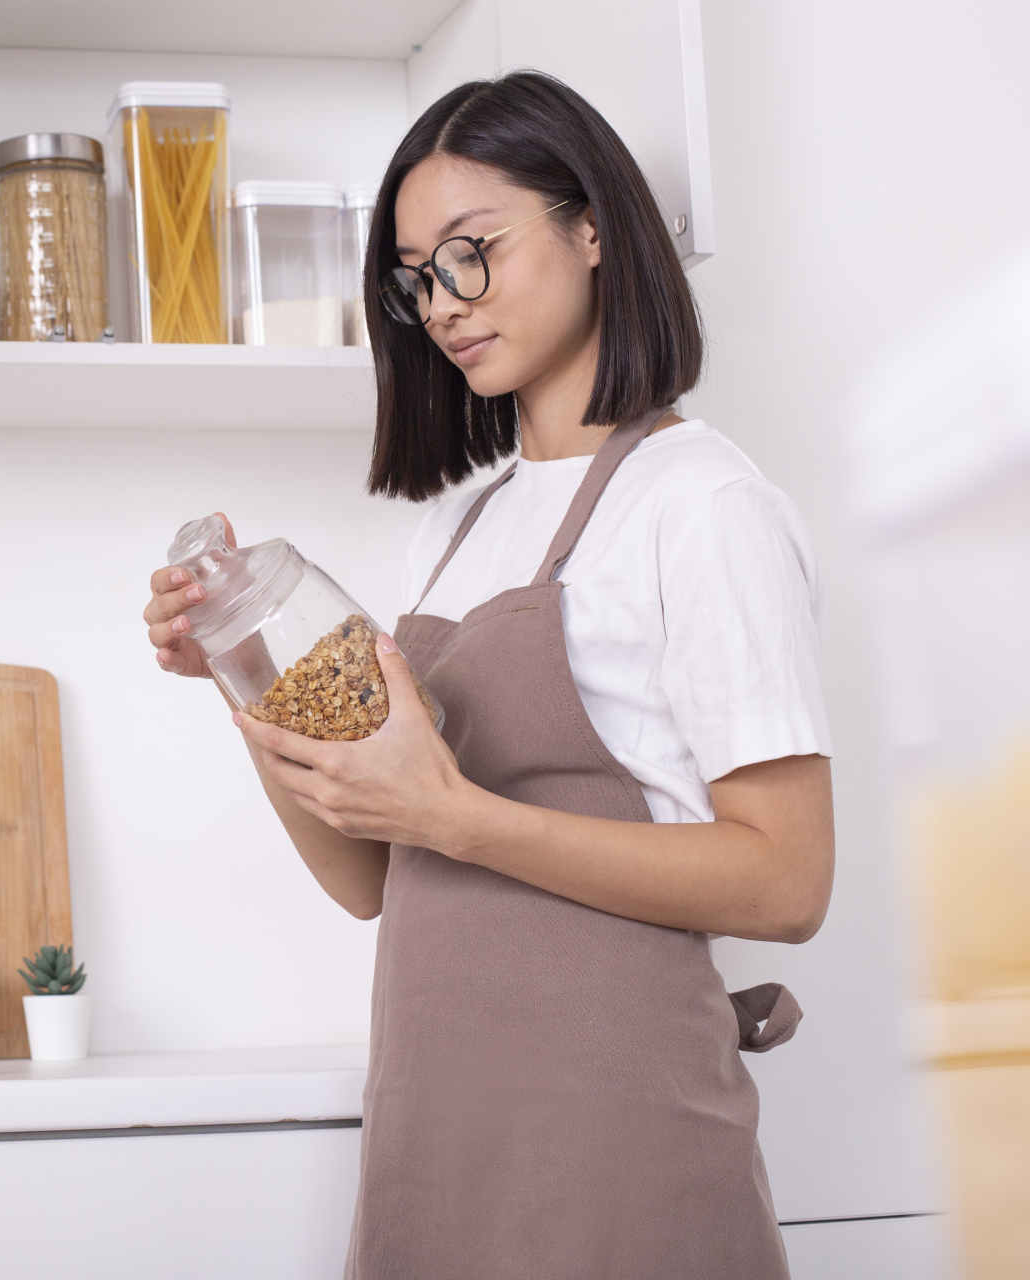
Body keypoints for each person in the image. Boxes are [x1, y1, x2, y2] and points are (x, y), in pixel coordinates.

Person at [142, 72, 833, 1278]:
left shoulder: (702, 503)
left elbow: (785, 877)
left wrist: (457, 814)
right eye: (416, 279)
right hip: (440, 1122)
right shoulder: (457, 533)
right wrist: (234, 665)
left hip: (616, 1133)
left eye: (474, 253)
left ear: (593, 226)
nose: (445, 303)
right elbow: (371, 872)